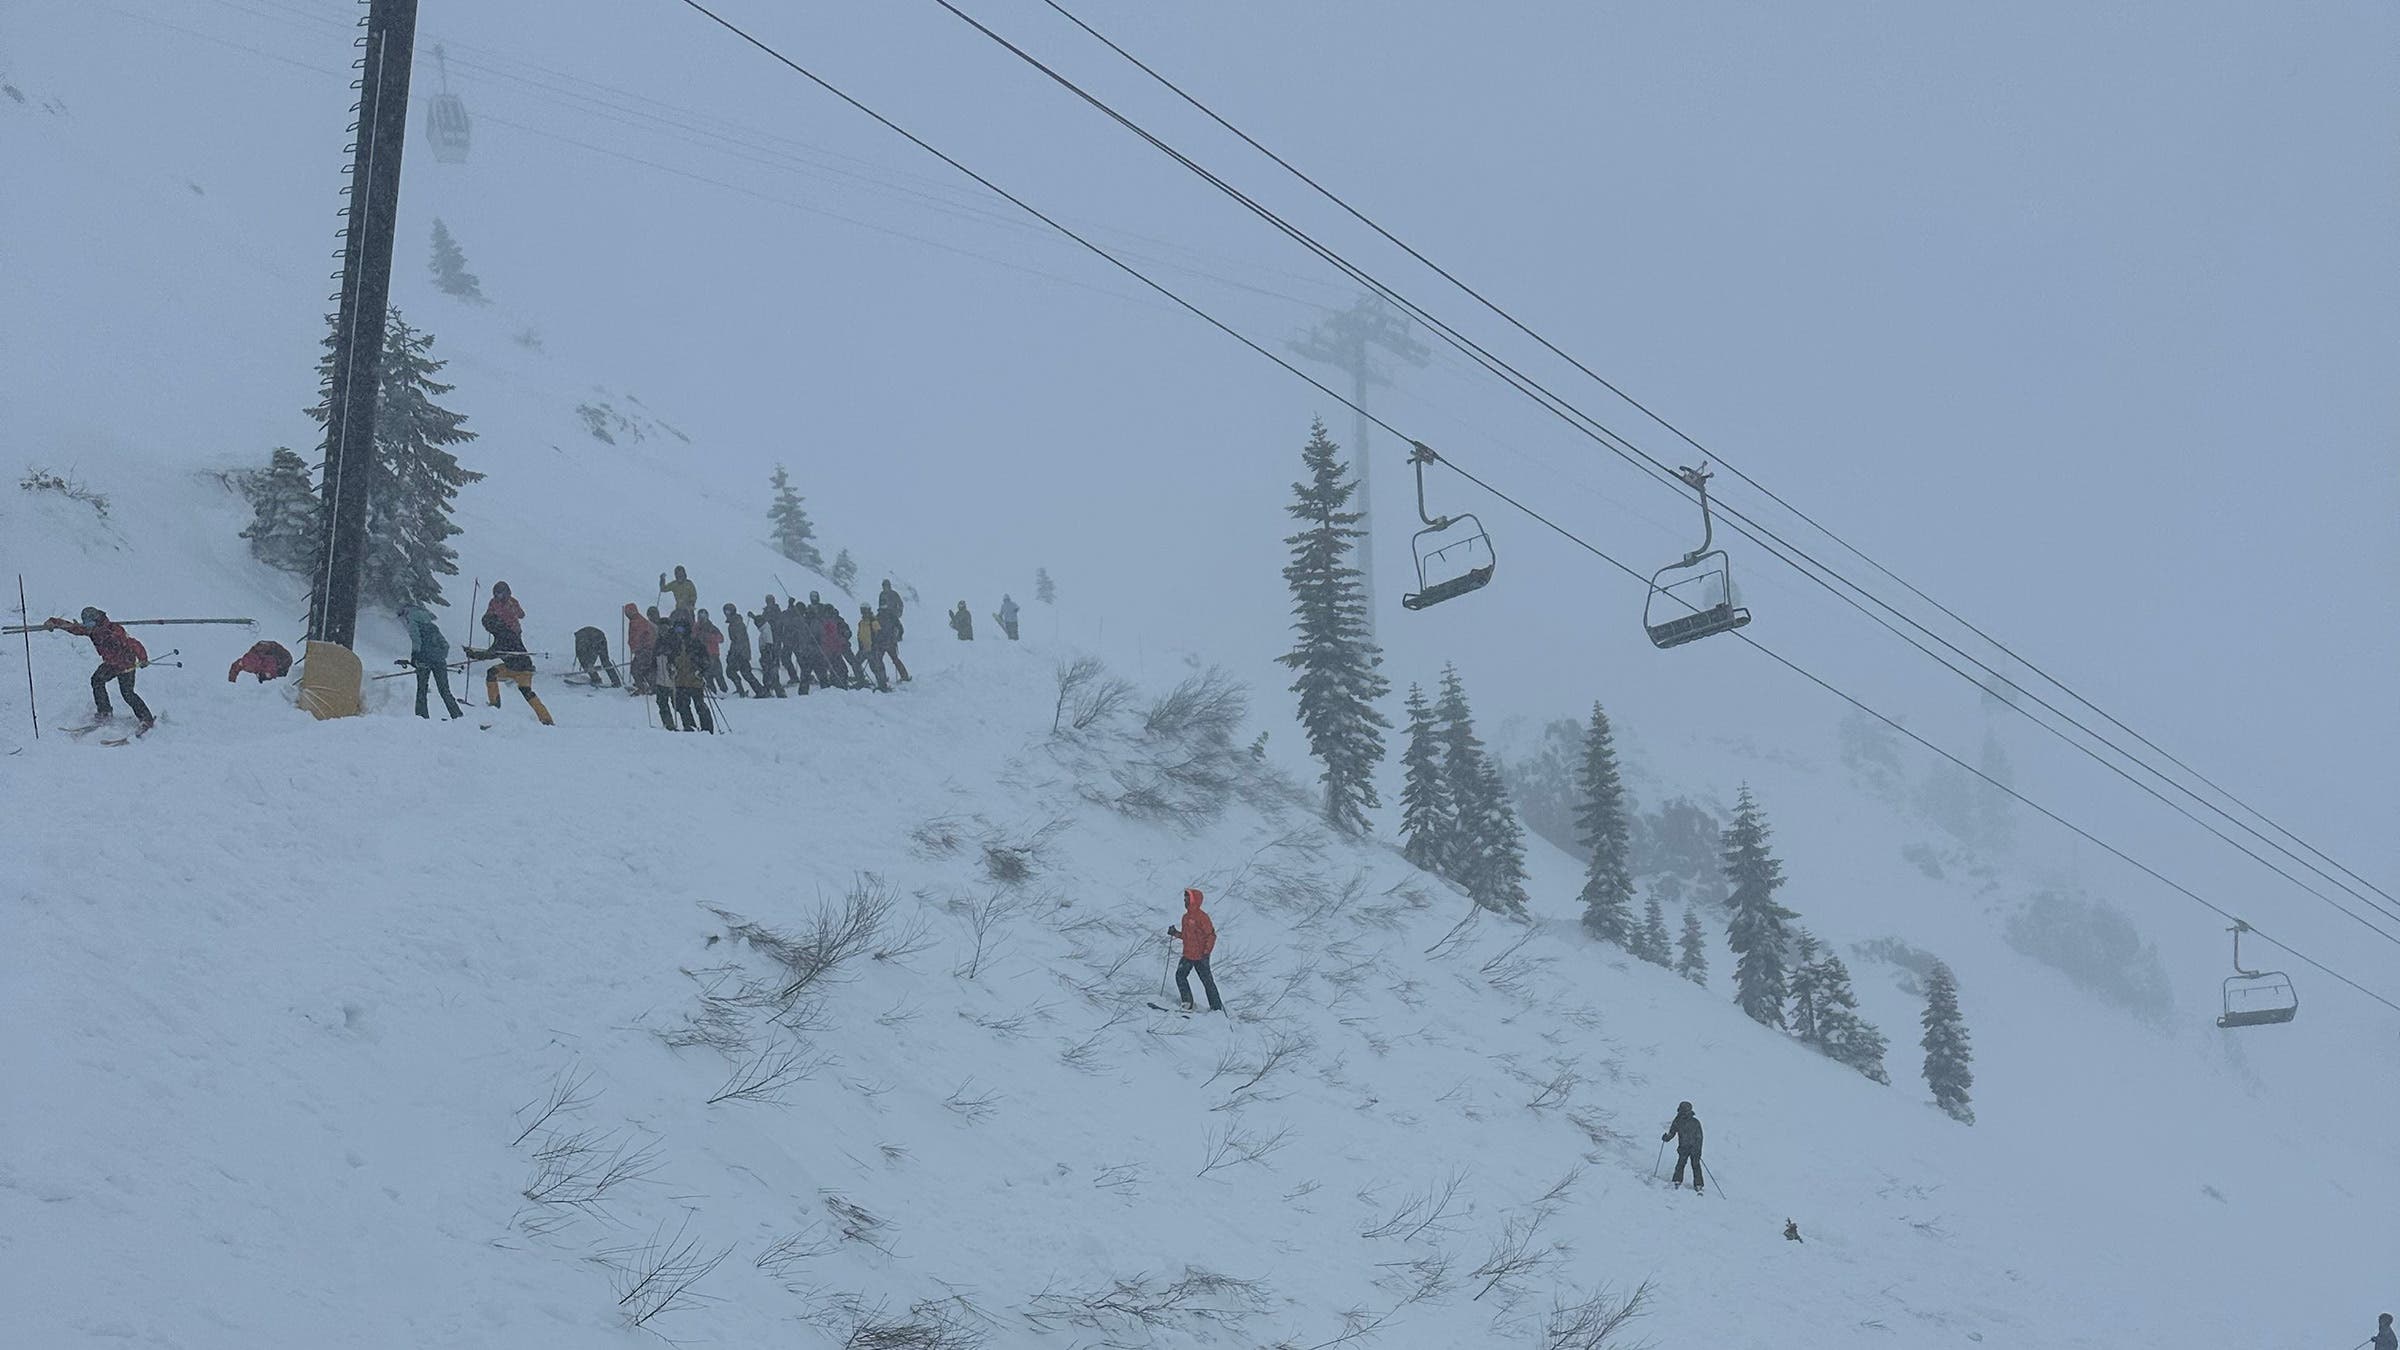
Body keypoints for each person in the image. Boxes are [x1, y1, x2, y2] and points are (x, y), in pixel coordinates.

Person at [46, 606, 153, 728]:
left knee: (127, 693)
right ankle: (104, 711)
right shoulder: (91, 630)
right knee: (97, 680)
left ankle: (146, 719)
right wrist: (54, 622)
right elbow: (73, 628)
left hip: (125, 664)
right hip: (111, 664)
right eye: (86, 624)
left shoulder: (114, 630)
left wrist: (143, 659)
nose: (88, 627)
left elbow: (133, 643)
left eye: (90, 623)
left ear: (96, 620)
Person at [467, 587, 553, 725]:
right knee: (496, 675)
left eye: (488, 626)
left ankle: (545, 719)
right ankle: (545, 718)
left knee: (523, 690)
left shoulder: (504, 635)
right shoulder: (504, 632)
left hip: (521, 669)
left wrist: (473, 654)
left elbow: (491, 654)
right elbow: (493, 651)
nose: (488, 629)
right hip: (515, 667)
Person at [651, 612, 715, 733]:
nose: (679, 632)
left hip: (694, 680)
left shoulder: (695, 643)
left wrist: (701, 671)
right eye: (677, 629)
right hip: (680, 681)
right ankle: (689, 726)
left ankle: (707, 729)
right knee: (683, 706)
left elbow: (706, 660)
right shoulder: (673, 643)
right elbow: (670, 661)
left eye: (681, 629)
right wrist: (671, 669)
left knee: (700, 705)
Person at [398, 602, 463, 719]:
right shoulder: (432, 626)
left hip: (423, 661)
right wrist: (439, 656)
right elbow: (445, 645)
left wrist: (415, 657)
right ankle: (457, 715)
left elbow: (416, 641)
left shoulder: (413, 624)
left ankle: (422, 717)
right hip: (439, 661)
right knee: (444, 690)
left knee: (422, 690)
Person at [1167, 887, 1224, 1013]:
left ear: (1194, 900)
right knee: (1180, 976)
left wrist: (1206, 952)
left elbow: (1211, 935)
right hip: (1188, 954)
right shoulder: (1185, 917)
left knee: (1207, 982)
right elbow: (1186, 936)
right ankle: (1187, 1002)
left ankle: (1216, 1008)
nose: (1185, 900)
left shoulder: (1202, 917)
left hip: (1201, 956)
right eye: (1185, 898)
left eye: (1187, 897)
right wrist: (1175, 933)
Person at [720, 603, 766, 697]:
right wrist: (731, 653)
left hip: (741, 654)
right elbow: (735, 642)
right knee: (740, 672)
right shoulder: (734, 623)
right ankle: (756, 691)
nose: (726, 614)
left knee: (738, 672)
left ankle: (758, 691)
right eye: (725, 611)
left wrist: (734, 654)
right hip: (740, 653)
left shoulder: (737, 624)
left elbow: (739, 641)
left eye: (728, 611)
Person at [1662, 1102, 1705, 1194]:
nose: (1682, 1113)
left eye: (1684, 1111)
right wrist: (1667, 1138)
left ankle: (1698, 1184)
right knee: (1680, 1164)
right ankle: (1677, 1180)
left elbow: (1699, 1137)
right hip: (1683, 1148)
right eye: (1681, 1111)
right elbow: (1672, 1133)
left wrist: (1697, 1149)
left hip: (1694, 1149)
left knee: (1696, 1165)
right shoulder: (1677, 1121)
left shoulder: (1695, 1122)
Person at [875, 580, 911, 683]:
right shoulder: (881, 595)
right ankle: (901, 676)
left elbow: (900, 604)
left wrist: (898, 613)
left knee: (883, 659)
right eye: (884, 586)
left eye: (886, 586)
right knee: (889, 659)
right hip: (887, 639)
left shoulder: (894, 594)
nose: (885, 587)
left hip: (888, 634)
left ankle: (885, 678)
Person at [622, 602, 657, 695]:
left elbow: (637, 636)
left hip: (644, 650)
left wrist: (635, 647)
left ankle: (644, 687)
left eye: (627, 612)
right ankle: (650, 686)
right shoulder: (639, 620)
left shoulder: (637, 622)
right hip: (645, 649)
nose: (626, 614)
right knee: (643, 669)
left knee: (637, 669)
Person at [856, 605, 892, 692]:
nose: (864, 613)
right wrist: (861, 646)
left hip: (873, 649)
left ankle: (882, 685)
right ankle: (861, 681)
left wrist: (876, 645)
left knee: (876, 667)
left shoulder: (873, 622)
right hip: (864, 649)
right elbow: (860, 635)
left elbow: (879, 634)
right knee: (856, 663)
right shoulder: (861, 623)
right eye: (862, 611)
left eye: (865, 611)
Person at [226, 640, 292, 683]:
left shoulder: (267, 661)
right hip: (266, 651)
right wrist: (231, 681)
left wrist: (264, 677)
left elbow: (271, 672)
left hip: (285, 659)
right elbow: (235, 667)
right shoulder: (244, 661)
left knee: (280, 678)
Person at [693, 609, 727, 694]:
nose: (702, 618)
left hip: (713, 655)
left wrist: (708, 637)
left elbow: (721, 638)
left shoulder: (712, 627)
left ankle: (724, 691)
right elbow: (692, 638)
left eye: (704, 616)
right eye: (700, 616)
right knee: (708, 676)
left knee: (718, 675)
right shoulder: (695, 628)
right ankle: (713, 692)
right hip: (702, 655)